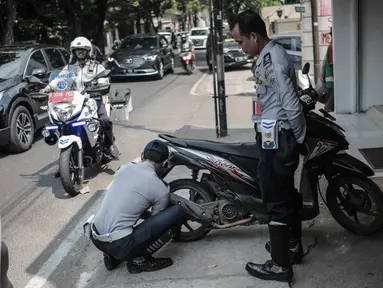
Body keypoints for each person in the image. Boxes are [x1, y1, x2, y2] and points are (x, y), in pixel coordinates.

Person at [231, 11, 307, 283]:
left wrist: (297, 139)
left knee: (275, 199)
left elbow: (289, 102)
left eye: (241, 42)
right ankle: (291, 246)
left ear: (254, 36)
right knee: (284, 196)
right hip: (271, 135)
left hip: (278, 138)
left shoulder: (273, 59)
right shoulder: (266, 56)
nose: (241, 48)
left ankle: (280, 265)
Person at [88, 140, 185, 273]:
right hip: (120, 244)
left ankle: (112, 257)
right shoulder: (161, 188)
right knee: (178, 211)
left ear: (142, 156)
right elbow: (156, 221)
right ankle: (139, 260)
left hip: (96, 237)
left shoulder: (124, 168)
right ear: (165, 163)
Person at [40, 36, 119, 167]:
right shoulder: (70, 68)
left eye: (83, 49)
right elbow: (60, 80)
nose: (80, 52)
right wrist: (48, 88)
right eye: (77, 50)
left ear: (88, 51)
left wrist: (100, 86)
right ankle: (67, 160)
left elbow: (103, 80)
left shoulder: (96, 67)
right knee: (64, 123)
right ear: (74, 52)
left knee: (104, 120)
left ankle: (110, 145)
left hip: (93, 99)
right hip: (74, 101)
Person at [316, 28, 334, 112]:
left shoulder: (331, 45)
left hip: (329, 79)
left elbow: (325, 64)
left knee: (330, 99)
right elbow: (331, 64)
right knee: (330, 101)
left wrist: (322, 77)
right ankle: (328, 115)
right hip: (332, 79)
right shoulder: (333, 47)